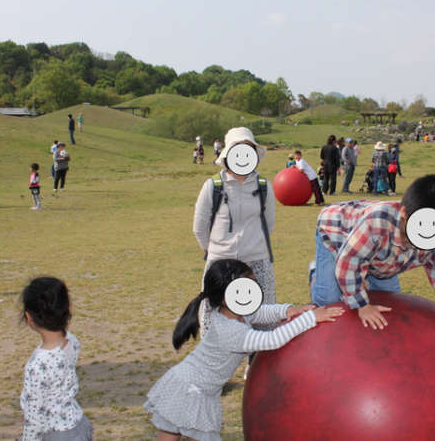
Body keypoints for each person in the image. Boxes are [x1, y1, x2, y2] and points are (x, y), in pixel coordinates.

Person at [144, 259, 343, 441]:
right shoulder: (231, 331)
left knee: (171, 431)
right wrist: (310, 318)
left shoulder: (233, 312)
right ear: (226, 296)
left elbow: (260, 312)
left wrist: (287, 310)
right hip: (192, 389)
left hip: (189, 383)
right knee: (180, 431)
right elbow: (272, 340)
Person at [309, 174, 435, 355]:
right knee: (330, 300)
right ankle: (316, 274)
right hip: (336, 233)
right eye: (412, 238)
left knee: (388, 304)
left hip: (382, 261)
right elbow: (349, 263)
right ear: (404, 214)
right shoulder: (376, 223)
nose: (418, 245)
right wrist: (361, 305)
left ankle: (366, 276)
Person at [193, 127, 276, 342]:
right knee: (212, 315)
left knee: (262, 315)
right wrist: (213, 249)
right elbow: (200, 227)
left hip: (256, 262)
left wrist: (253, 245)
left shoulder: (264, 186)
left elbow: (269, 223)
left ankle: (257, 366)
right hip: (221, 261)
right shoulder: (213, 186)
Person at [19, 277, 93, 440]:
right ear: (68, 308)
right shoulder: (72, 341)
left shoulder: (38, 364)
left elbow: (34, 416)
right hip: (78, 425)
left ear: (29, 317)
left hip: (55, 433)